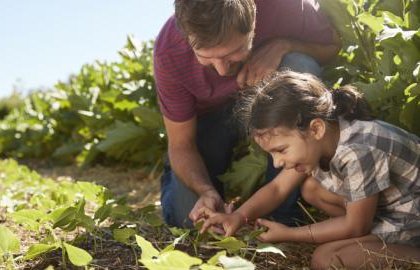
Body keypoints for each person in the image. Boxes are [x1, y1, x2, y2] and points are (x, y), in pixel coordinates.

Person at [199, 71, 420, 268]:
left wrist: (292, 234)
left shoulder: (357, 151)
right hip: (392, 211)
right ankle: (367, 238)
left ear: (315, 128)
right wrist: (239, 216)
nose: (276, 163)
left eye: (281, 150)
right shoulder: (327, 134)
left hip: (412, 220)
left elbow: (356, 227)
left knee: (327, 259)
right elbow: (277, 189)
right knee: (311, 188)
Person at [154, 0, 341, 228]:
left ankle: (284, 212)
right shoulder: (169, 52)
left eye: (233, 52)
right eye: (207, 57)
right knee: (186, 217)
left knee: (300, 64)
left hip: (271, 101)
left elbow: (332, 46)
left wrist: (284, 45)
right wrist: (205, 190)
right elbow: (181, 144)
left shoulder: (285, 6)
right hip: (210, 121)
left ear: (253, 23)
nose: (223, 70)